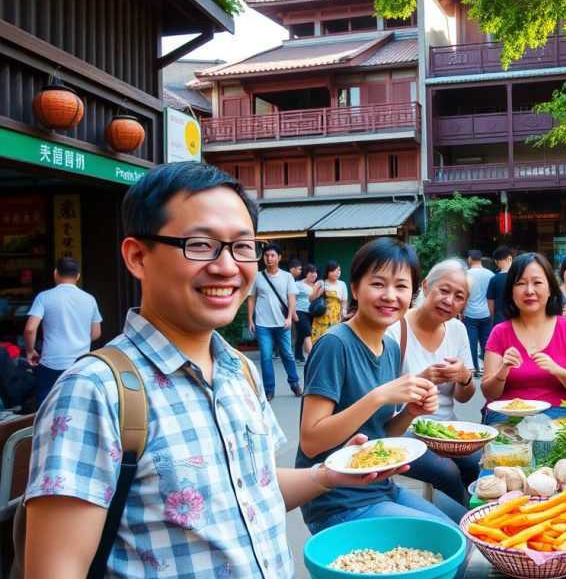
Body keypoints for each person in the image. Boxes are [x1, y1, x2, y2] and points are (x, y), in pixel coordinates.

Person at [22, 162, 407, 578]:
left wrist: (329, 475)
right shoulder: (93, 392)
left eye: (243, 247)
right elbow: (55, 569)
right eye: (200, 244)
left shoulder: (240, 368)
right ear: (137, 257)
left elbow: (250, 490)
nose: (227, 267)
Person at [298, 238, 467, 535]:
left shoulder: (388, 347)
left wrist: (409, 413)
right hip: (338, 502)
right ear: (355, 288)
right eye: (378, 284)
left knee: (466, 527)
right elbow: (311, 441)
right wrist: (378, 397)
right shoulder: (335, 345)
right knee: (456, 545)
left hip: (380, 487)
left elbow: (379, 435)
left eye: (401, 286)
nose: (390, 296)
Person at [386, 259, 477, 505]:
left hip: (446, 430)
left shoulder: (457, 330)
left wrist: (463, 376)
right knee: (447, 472)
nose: (449, 301)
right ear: (426, 286)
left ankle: (477, 514)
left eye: (459, 296)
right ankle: (468, 522)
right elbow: (381, 395)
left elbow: (464, 395)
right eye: (444, 290)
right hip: (404, 431)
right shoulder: (394, 329)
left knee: (480, 461)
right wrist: (421, 380)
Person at [481, 253, 566, 424]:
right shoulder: (500, 332)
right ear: (511, 291)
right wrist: (503, 370)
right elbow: (489, 393)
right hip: (508, 414)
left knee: (550, 446)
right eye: (521, 283)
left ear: (550, 290)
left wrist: (558, 370)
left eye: (537, 282)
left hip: (560, 413)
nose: (529, 290)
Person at [22, 257, 102, 407]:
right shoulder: (90, 299)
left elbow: (30, 328)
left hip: (50, 365)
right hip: (80, 365)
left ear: (55, 273)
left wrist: (30, 351)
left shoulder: (44, 297)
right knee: (75, 410)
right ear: (77, 276)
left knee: (45, 412)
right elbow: (96, 334)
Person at [247, 243, 301, 399]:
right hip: (263, 324)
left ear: (279, 258)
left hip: (282, 323)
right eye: (266, 255)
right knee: (265, 356)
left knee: (288, 355)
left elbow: (292, 299)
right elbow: (251, 299)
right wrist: (250, 319)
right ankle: (269, 389)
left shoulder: (287, 277)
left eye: (272, 255)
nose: (269, 258)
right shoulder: (257, 276)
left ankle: (294, 383)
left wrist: (290, 317)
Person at [463, 249, 494, 375]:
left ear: (470, 259)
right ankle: (489, 369)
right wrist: (491, 313)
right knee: (487, 343)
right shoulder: (491, 274)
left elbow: (464, 296)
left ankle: (475, 369)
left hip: (470, 313)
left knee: (471, 343)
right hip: (486, 313)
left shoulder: (466, 275)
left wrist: (462, 312)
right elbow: (492, 297)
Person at [310, 260, 348, 343]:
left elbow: (344, 301)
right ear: (328, 271)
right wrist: (318, 292)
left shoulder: (342, 284)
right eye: (334, 270)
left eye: (339, 270)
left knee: (334, 339)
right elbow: (310, 299)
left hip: (336, 317)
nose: (337, 272)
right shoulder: (321, 282)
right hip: (322, 317)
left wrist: (343, 314)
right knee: (320, 339)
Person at [294, 263, 317, 363]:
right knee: (307, 332)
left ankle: (298, 354)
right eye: (312, 272)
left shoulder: (317, 285)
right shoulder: (298, 284)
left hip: (312, 312)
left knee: (301, 334)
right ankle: (313, 357)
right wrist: (293, 313)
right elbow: (292, 299)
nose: (314, 274)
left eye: (315, 272)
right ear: (306, 273)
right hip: (300, 312)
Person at [487, 246, 513, 326]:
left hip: (499, 320)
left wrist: (492, 316)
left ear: (496, 261)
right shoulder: (518, 277)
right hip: (517, 318)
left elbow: (490, 302)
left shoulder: (494, 279)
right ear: (510, 259)